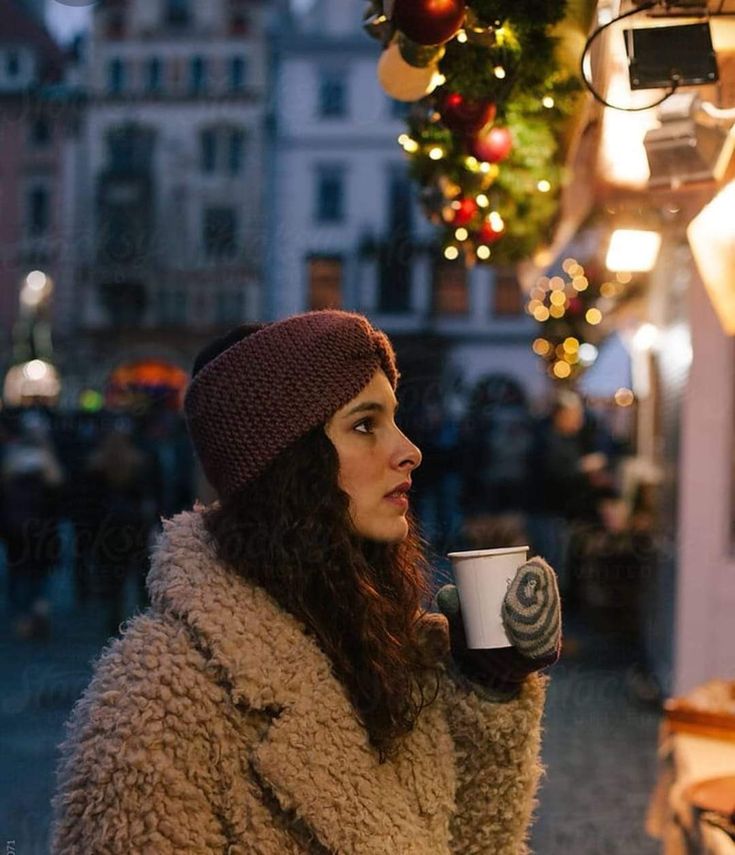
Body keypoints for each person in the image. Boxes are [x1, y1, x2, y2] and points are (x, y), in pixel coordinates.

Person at [51, 311, 561, 854]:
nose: (409, 450)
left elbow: (470, 843)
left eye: (395, 419)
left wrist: (490, 687)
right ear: (290, 464)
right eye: (365, 425)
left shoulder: (384, 648)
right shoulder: (155, 700)